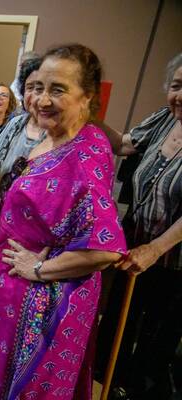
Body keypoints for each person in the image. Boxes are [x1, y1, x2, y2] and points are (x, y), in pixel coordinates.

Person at [0, 43, 126, 400]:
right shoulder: (55, 137)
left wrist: (38, 269)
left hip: (44, 305)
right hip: (15, 292)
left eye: (58, 89)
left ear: (87, 97)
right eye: (37, 87)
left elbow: (106, 249)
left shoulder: (86, 154)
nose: (43, 99)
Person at [95, 52, 182, 399]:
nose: (180, 96)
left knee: (154, 349)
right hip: (133, 250)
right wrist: (85, 112)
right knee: (115, 333)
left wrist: (156, 249)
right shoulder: (164, 119)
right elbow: (123, 144)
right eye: (176, 86)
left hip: (174, 264)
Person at [0, 56, 44, 182]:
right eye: (29, 87)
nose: (34, 95)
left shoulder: (57, 135)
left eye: (40, 89)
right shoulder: (15, 123)